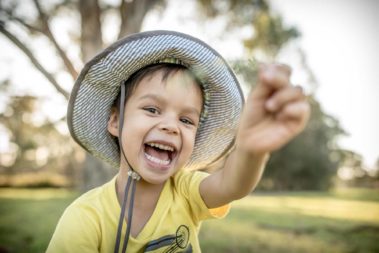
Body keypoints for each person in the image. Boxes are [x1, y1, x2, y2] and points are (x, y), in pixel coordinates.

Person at [47, 30, 310, 253]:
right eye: (152, 109)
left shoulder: (185, 190)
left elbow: (232, 184)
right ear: (115, 121)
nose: (171, 126)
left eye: (186, 120)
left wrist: (251, 150)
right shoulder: (84, 218)